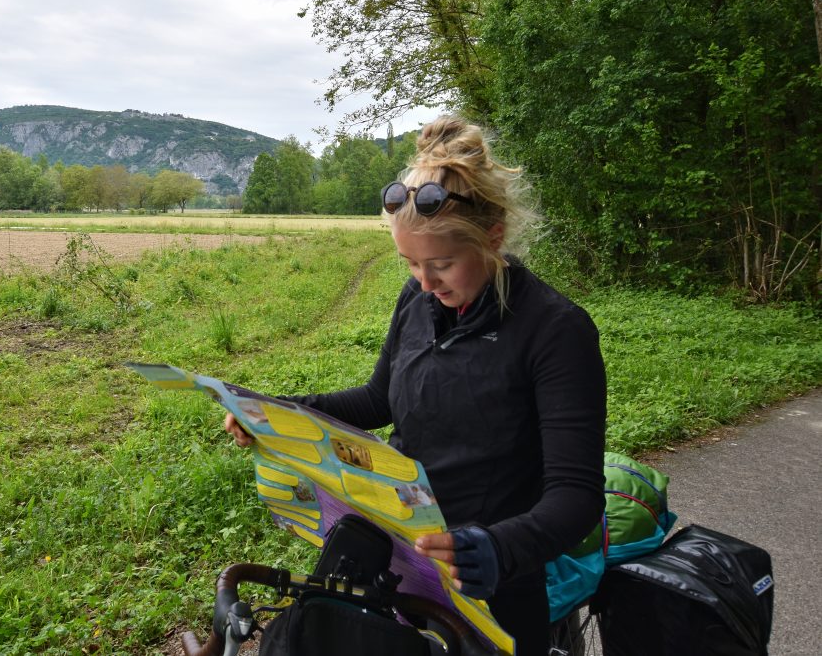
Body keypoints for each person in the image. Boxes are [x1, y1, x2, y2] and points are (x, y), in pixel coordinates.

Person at [225, 116, 606, 656]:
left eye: (442, 265)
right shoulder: (419, 300)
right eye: (410, 265)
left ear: (493, 238)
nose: (425, 283)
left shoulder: (555, 331)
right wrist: (279, 412)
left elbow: (576, 497)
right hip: (394, 554)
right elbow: (379, 398)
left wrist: (494, 548)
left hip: (488, 582)